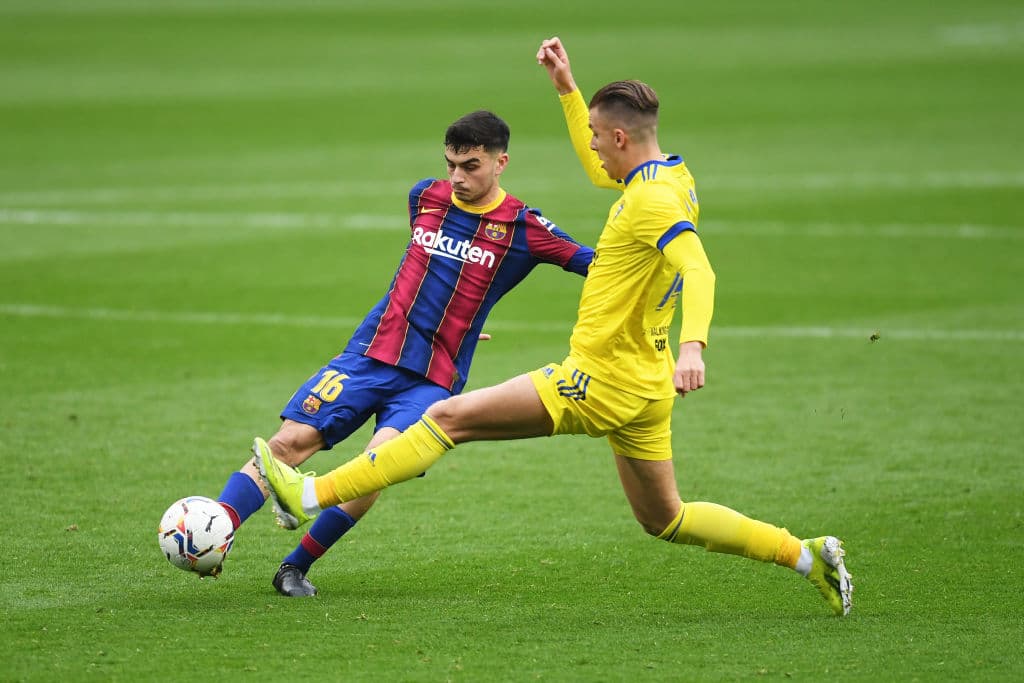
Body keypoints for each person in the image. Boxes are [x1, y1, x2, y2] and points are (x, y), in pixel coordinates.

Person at [258, 37, 854, 616]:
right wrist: (569, 91)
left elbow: (699, 268)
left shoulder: (652, 202)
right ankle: (806, 556)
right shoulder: (671, 177)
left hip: (600, 378)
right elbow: (610, 177)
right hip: (644, 386)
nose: (590, 147)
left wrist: (694, 345)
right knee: (664, 518)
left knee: (444, 419)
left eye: (597, 136)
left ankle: (307, 494)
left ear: (620, 136)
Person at [214, 109, 594, 596]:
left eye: (471, 166)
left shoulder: (523, 226)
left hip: (433, 377)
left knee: (376, 465)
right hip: (371, 353)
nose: (457, 177)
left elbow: (599, 266)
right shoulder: (425, 197)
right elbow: (420, 272)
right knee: (288, 443)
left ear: (502, 162)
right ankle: (216, 529)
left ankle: (294, 568)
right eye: (451, 164)